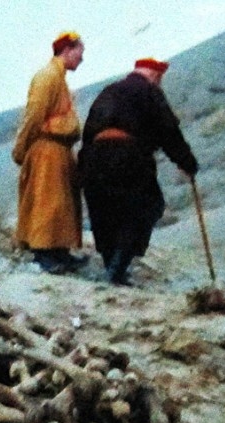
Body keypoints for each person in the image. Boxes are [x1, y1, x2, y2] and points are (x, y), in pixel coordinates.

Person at [79, 57, 199, 285]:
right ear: (155, 76)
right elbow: (169, 132)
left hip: (94, 159)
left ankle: (112, 266)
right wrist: (187, 162)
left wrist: (83, 171)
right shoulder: (149, 92)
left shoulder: (108, 92)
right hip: (127, 157)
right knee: (148, 206)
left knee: (105, 213)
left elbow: (88, 133)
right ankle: (118, 267)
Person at [12, 31, 89, 275]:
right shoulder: (47, 76)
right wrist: (21, 148)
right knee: (48, 201)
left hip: (60, 149)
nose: (82, 59)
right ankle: (43, 253)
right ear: (67, 50)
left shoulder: (59, 78)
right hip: (47, 149)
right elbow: (34, 115)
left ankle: (59, 251)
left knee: (62, 202)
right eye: (80, 53)